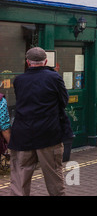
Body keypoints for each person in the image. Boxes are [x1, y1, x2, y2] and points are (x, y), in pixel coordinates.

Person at [8, 47, 73, 196]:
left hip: (22, 134)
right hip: (48, 134)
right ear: (45, 61)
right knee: (54, 177)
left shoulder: (19, 80)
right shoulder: (54, 77)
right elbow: (64, 101)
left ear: (27, 62)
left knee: (19, 179)